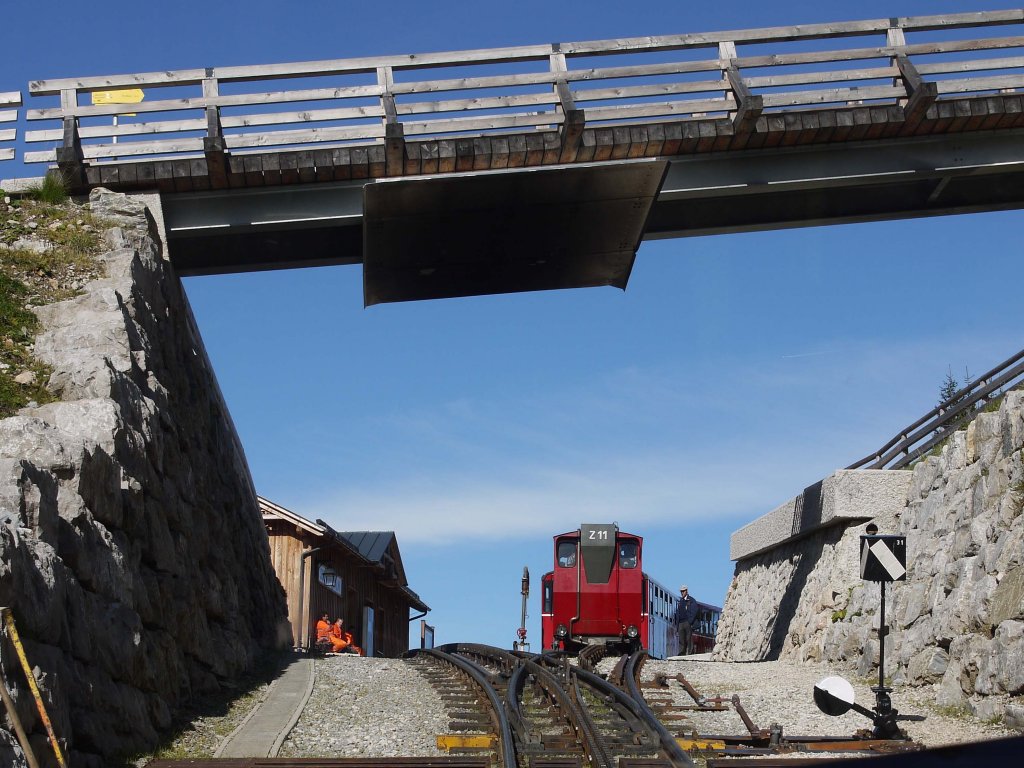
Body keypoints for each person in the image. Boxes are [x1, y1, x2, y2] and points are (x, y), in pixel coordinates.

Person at [674, 585, 699, 655]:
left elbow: (695, 610)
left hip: (687, 622)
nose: (682, 593)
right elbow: (678, 612)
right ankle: (682, 651)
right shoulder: (680, 601)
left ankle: (690, 651)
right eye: (681, 591)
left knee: (688, 638)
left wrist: (690, 621)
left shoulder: (691, 600)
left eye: (683, 591)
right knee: (681, 638)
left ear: (686, 591)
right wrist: (677, 623)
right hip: (681, 622)